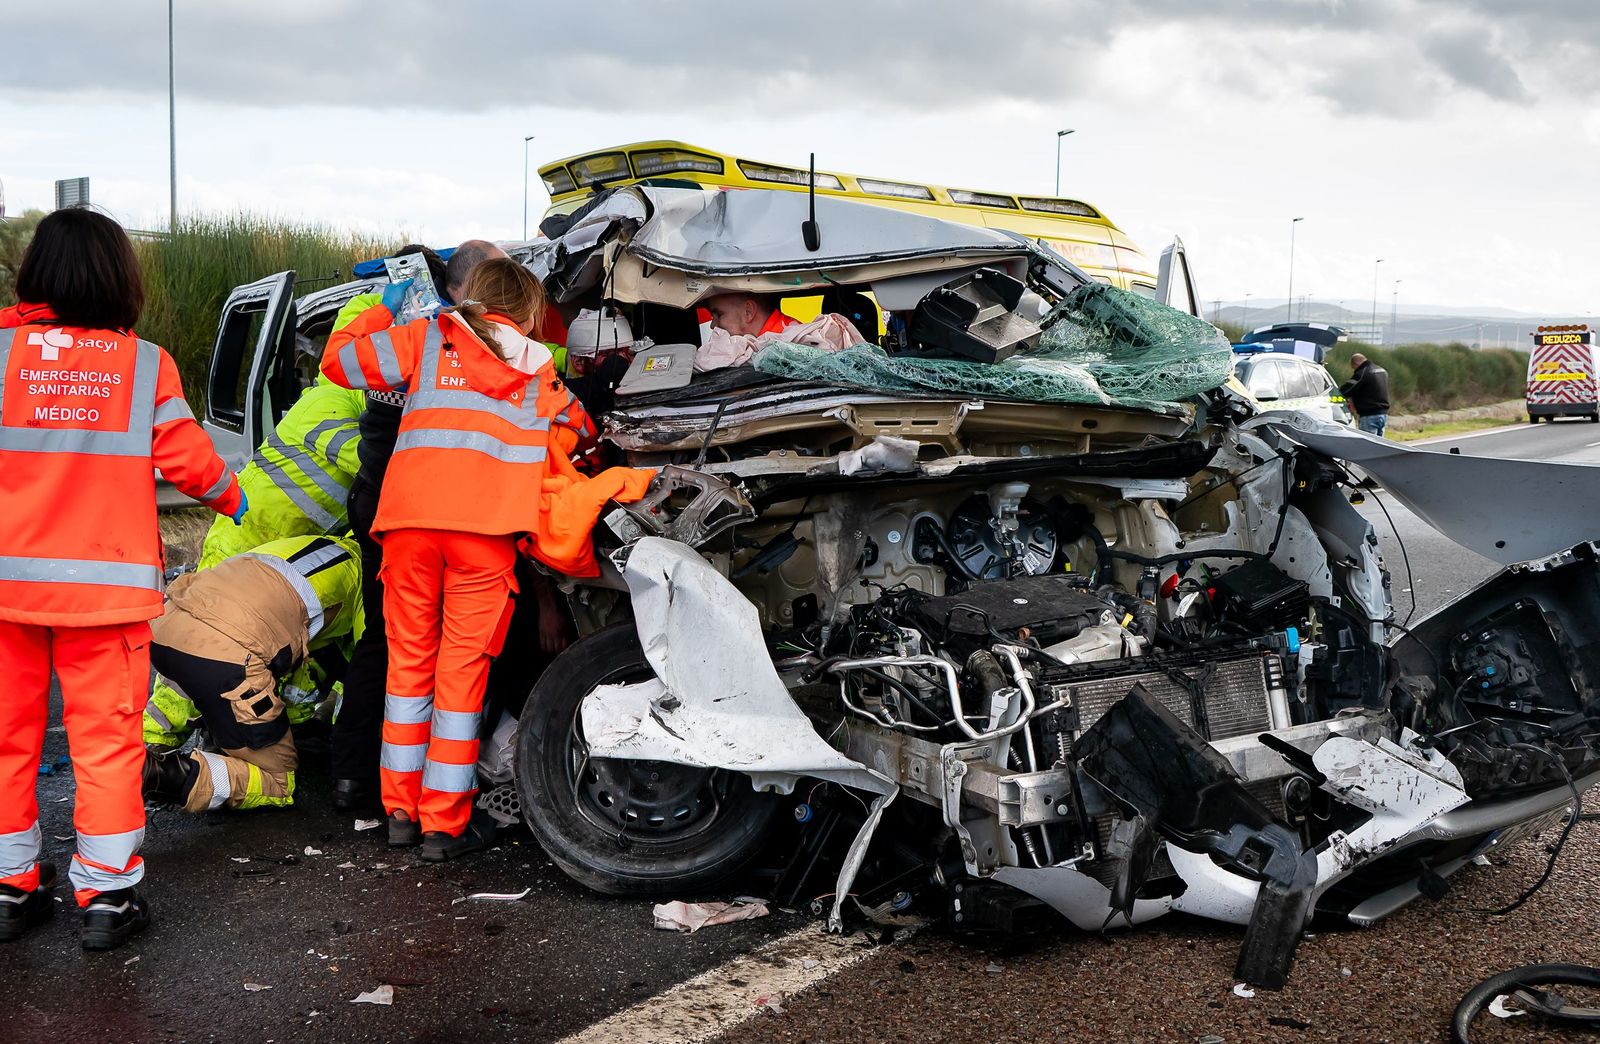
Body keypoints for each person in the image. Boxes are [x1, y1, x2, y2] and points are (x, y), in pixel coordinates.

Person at [322, 258, 654, 860]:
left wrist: (381, 310)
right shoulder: (537, 368)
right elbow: (583, 432)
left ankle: (399, 812)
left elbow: (338, 362)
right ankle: (442, 825)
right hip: (484, 537)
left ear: (472, 297)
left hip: (409, 528)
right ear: (528, 314)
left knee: (407, 669)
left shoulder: (427, 338)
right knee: (461, 678)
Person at [0, 208, 244, 949]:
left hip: (7, 593)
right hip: (105, 598)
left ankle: (10, 888)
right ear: (118, 278)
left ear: (36, 272)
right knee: (106, 745)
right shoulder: (143, 365)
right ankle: (106, 898)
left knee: (7, 741)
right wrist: (235, 500)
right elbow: (190, 463)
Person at [332, 241, 492, 815]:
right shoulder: (439, 339)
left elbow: (342, 362)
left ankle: (357, 777)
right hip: (422, 509)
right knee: (437, 651)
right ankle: (427, 790)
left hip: (380, 501)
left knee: (385, 641)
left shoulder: (395, 335)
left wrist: (384, 308)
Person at [142, 535, 362, 813]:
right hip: (226, 656)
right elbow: (366, 669)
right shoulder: (364, 578)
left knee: (204, 669)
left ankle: (141, 755)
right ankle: (165, 776)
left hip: (165, 627)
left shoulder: (309, 542)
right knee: (279, 784)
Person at [703, 291, 797, 338]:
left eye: (718, 315)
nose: (712, 326)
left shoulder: (788, 345)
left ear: (748, 311)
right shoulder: (783, 336)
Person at [1341, 352, 1391, 436]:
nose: (1354, 370)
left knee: (1367, 442)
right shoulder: (1382, 370)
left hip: (1369, 415)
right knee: (1379, 442)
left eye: (1353, 367)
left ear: (1356, 364)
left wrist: (1335, 395)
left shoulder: (1362, 373)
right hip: (1383, 414)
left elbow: (1346, 390)